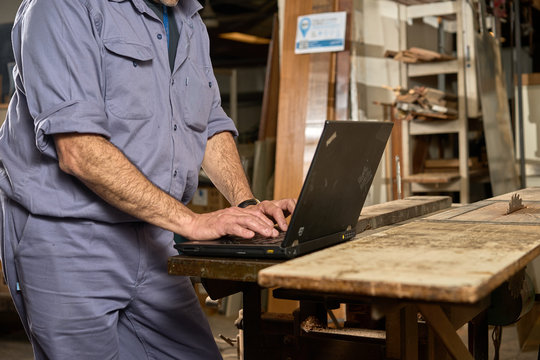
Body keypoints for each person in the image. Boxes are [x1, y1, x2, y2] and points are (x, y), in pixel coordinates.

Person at [0, 0, 295, 359]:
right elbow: (78, 149)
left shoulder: (187, 18)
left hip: (153, 234)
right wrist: (191, 221)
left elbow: (209, 124)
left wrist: (246, 205)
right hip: (70, 238)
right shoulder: (61, 7)